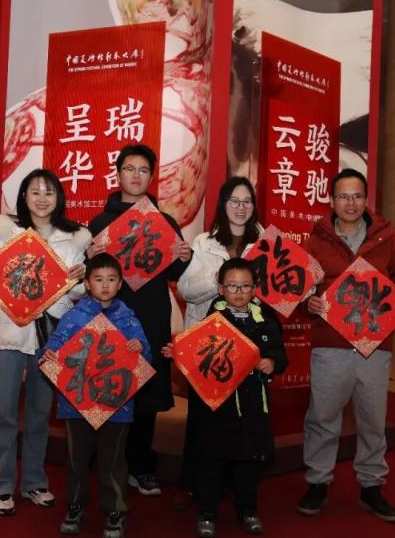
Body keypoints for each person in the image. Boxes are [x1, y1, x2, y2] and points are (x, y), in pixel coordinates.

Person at [0, 169, 91, 516]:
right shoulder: (6, 233)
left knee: (39, 414)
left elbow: (78, 292)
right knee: (3, 413)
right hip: (8, 335)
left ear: (58, 198)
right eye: (35, 192)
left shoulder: (73, 239)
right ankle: (1, 487)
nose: (42, 199)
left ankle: (34, 481)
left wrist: (80, 281)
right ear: (24, 197)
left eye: (49, 192)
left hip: (49, 337)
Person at [298, 169, 395, 524]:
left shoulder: (386, 238)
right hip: (330, 345)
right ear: (332, 201)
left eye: (356, 196)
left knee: (372, 419)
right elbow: (300, 288)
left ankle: (371, 486)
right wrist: (310, 302)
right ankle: (318, 482)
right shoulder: (316, 241)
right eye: (343, 196)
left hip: (375, 346)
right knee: (323, 417)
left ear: (366, 200)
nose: (350, 203)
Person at [87, 143, 192, 496]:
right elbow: (89, 275)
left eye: (143, 170)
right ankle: (107, 461)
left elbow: (175, 272)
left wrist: (184, 256)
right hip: (110, 315)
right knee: (109, 385)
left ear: (151, 177)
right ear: (118, 174)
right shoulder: (100, 223)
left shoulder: (163, 222)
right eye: (129, 169)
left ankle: (142, 464)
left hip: (150, 316)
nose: (136, 175)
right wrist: (89, 257)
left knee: (146, 391)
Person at [165, 258, 287, 537]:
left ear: (254, 289)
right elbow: (196, 356)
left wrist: (272, 362)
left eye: (245, 286)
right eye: (232, 286)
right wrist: (178, 354)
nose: (239, 292)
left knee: (248, 463)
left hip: (252, 407)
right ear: (221, 289)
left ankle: (248, 509)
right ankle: (207, 512)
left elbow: (280, 355)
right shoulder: (211, 323)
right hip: (218, 408)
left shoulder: (266, 323)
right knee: (212, 461)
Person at [40, 253, 150, 538]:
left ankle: (115, 510)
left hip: (117, 406)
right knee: (77, 459)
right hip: (76, 404)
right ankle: (75, 505)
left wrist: (139, 348)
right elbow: (53, 347)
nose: (105, 285)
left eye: (111, 279)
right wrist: (48, 354)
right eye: (98, 279)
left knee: (112, 462)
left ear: (120, 283)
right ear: (87, 284)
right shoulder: (74, 316)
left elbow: (145, 357)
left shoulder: (128, 318)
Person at [178, 176, 262, 329]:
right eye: (234, 201)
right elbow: (185, 290)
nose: (241, 207)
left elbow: (289, 289)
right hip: (206, 332)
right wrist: (216, 278)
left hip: (248, 331)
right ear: (223, 204)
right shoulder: (203, 242)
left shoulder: (265, 245)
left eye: (247, 201)